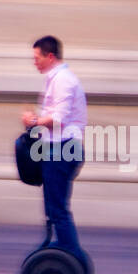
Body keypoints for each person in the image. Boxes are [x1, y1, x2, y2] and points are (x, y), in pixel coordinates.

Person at [21, 36, 87, 257]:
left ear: (50, 56)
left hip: (63, 150)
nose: (34, 62)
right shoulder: (55, 79)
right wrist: (37, 119)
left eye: (36, 57)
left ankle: (70, 257)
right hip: (57, 149)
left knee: (57, 209)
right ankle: (60, 251)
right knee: (53, 208)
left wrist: (33, 121)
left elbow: (58, 120)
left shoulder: (63, 80)